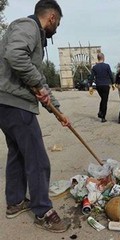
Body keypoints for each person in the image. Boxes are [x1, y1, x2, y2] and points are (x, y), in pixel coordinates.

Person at [0, 0, 70, 233]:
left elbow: (40, 81)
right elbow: (14, 55)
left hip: (7, 104)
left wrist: (58, 111)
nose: (56, 29)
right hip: (15, 104)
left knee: (18, 154)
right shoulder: (28, 26)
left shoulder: (33, 38)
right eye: (57, 23)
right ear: (51, 18)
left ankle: (15, 202)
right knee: (38, 159)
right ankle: (43, 211)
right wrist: (38, 85)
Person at [89, 52, 115, 122]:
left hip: (98, 86)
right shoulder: (107, 66)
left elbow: (91, 77)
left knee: (103, 99)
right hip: (106, 85)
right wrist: (113, 84)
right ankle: (103, 117)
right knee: (104, 100)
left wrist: (90, 86)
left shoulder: (94, 67)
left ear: (98, 58)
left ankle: (100, 112)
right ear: (103, 58)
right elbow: (111, 75)